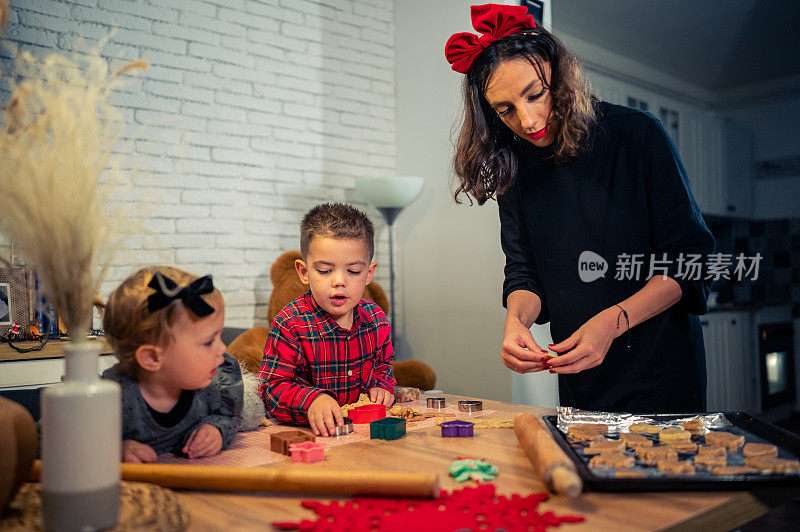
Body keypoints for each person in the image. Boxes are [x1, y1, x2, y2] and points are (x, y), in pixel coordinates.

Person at [445, 4, 715, 413]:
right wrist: (516, 321)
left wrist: (611, 323)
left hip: (661, 369)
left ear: (560, 75)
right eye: (505, 110)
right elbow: (524, 271)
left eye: (535, 94)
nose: (529, 120)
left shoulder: (637, 136)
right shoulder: (514, 166)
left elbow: (688, 262)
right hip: (581, 373)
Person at [257, 203, 396, 436]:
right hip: (309, 437)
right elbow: (270, 389)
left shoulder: (377, 319)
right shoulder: (290, 324)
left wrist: (382, 386)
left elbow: (383, 366)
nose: (339, 281)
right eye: (324, 271)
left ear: (369, 273)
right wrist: (312, 399)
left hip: (362, 436)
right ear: (304, 272)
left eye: (353, 271)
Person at [102, 266, 243, 462]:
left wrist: (216, 429)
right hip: (136, 491)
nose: (223, 348)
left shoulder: (214, 383)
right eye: (209, 341)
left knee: (251, 410)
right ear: (152, 358)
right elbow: (64, 439)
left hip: (194, 487)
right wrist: (113, 448)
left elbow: (228, 416)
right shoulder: (110, 397)